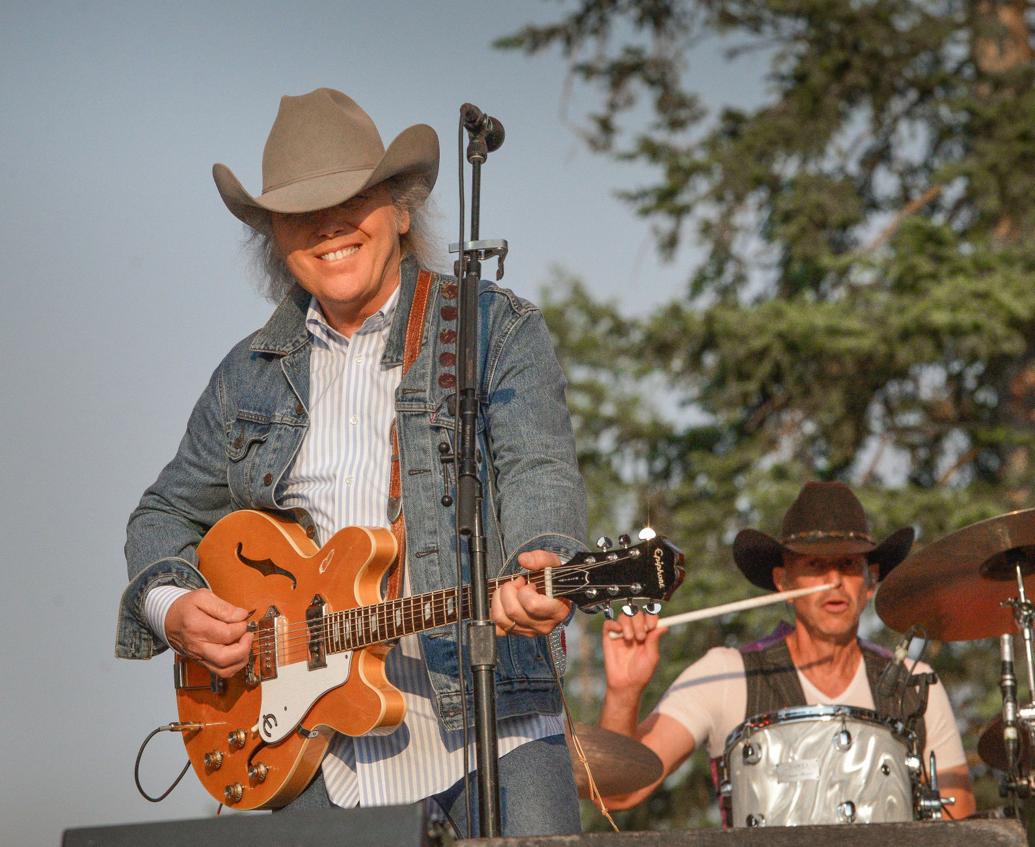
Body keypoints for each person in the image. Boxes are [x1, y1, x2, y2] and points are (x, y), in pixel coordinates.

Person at [114, 87, 587, 837]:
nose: (328, 225)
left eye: (353, 199)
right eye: (300, 212)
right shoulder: (247, 372)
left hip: (491, 728)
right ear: (276, 237)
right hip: (302, 745)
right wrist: (173, 610)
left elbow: (539, 468)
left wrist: (545, 557)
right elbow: (162, 514)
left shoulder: (495, 329)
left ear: (400, 211)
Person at [601, 481, 976, 820]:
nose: (833, 581)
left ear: (870, 581)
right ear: (783, 580)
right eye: (815, 565)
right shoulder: (725, 675)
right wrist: (624, 691)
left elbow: (958, 823)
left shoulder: (917, 684)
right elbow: (617, 794)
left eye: (847, 565)